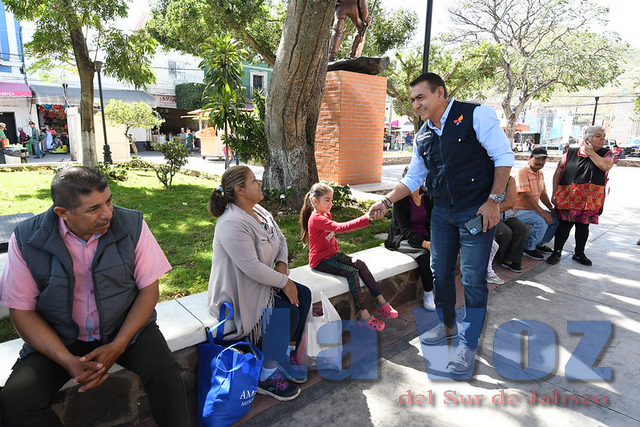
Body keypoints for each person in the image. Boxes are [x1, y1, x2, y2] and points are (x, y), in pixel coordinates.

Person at [0, 167, 188, 427]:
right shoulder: (27, 238)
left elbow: (149, 290)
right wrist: (66, 360)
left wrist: (118, 345)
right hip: (59, 336)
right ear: (62, 213)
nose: (108, 213)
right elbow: (22, 310)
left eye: (108, 201)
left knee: (166, 377)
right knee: (16, 402)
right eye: (93, 209)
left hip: (125, 328)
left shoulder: (131, 224)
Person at [367, 72, 514, 374]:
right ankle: (447, 326)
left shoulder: (475, 115)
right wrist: (386, 202)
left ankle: (468, 345)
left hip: (476, 211)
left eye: (420, 97)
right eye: (412, 100)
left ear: (440, 93)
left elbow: (503, 157)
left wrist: (493, 201)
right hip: (442, 213)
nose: (416, 104)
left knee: (472, 280)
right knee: (441, 274)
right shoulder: (423, 135)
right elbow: (414, 177)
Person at [207, 166, 311, 402]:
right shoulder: (231, 223)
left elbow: (281, 239)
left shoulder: (259, 211)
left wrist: (282, 265)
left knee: (303, 295)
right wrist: (283, 282)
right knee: (286, 313)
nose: (260, 183)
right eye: (254, 181)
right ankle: (266, 376)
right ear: (240, 190)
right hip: (239, 291)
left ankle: (283, 356)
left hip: (262, 282)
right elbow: (251, 267)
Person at [301, 183, 398, 332]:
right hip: (321, 261)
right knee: (352, 273)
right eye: (327, 200)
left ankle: (381, 302)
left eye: (331, 200)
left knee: (360, 264)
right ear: (315, 201)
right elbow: (340, 228)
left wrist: (339, 253)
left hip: (333, 255)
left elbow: (331, 238)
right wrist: (366, 218)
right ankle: (364, 315)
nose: (331, 203)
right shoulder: (316, 219)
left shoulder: (326, 214)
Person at [547, 125, 614, 266]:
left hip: (590, 198)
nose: (602, 139)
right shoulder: (571, 152)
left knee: (583, 226)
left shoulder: (606, 153)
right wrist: (554, 193)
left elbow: (606, 166)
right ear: (588, 139)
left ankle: (579, 253)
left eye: (603, 136)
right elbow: (558, 172)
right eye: (598, 136)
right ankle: (556, 252)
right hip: (569, 196)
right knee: (564, 225)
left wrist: (591, 153)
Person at [384, 166, 435, 310]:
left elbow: (433, 221)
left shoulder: (427, 196)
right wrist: (424, 243)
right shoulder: (399, 199)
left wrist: (433, 239)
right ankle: (428, 293)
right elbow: (404, 229)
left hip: (423, 233)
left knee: (443, 250)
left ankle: (440, 287)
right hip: (403, 238)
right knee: (424, 255)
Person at [513, 147, 559, 260]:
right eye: (538, 159)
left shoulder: (540, 173)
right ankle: (529, 247)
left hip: (531, 210)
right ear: (530, 158)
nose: (541, 162)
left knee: (556, 219)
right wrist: (543, 214)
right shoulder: (522, 172)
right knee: (541, 220)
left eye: (543, 159)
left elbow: (543, 194)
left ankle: (540, 244)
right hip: (517, 210)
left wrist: (550, 208)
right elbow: (526, 196)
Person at [495, 176, 529, 273]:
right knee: (505, 232)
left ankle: (512, 259)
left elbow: (510, 202)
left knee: (522, 228)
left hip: (507, 215)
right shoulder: (486, 177)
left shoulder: (509, 179)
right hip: (493, 216)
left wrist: (493, 208)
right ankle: (501, 258)